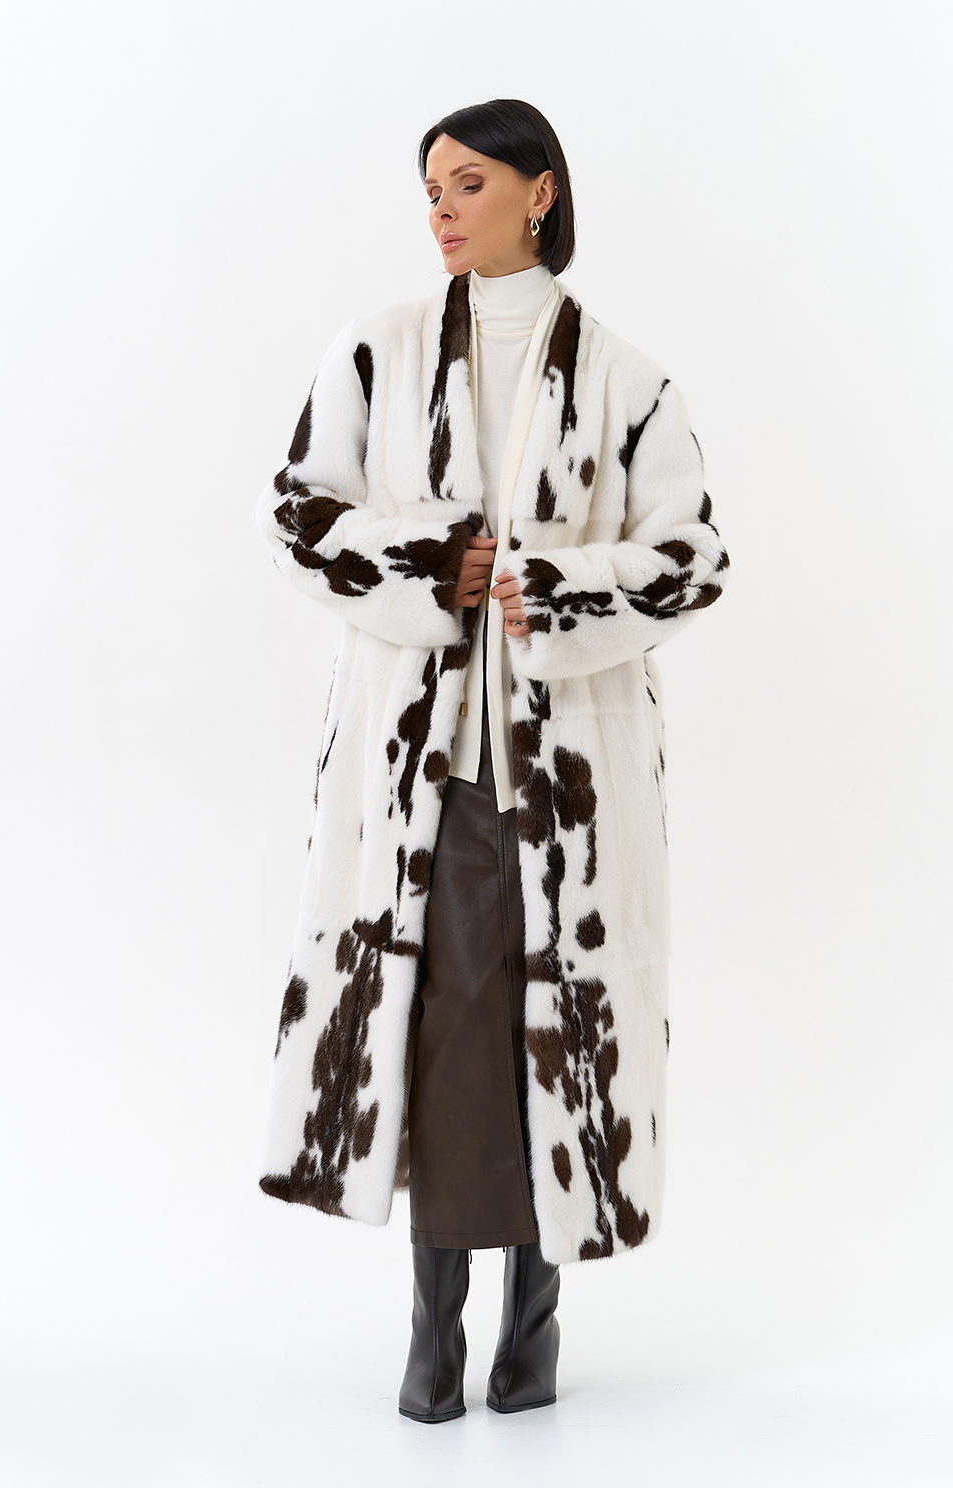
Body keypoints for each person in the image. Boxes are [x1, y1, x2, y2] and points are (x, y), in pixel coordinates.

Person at [255, 98, 730, 1424]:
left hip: (571, 796)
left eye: (468, 183)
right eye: (431, 189)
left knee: (555, 1058)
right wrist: (427, 565)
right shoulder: (380, 351)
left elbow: (694, 556)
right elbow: (296, 514)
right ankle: (434, 1330)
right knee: (448, 1053)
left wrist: (556, 589)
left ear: (540, 190)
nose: (443, 209)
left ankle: (535, 1323)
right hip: (427, 787)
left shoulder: (629, 379)